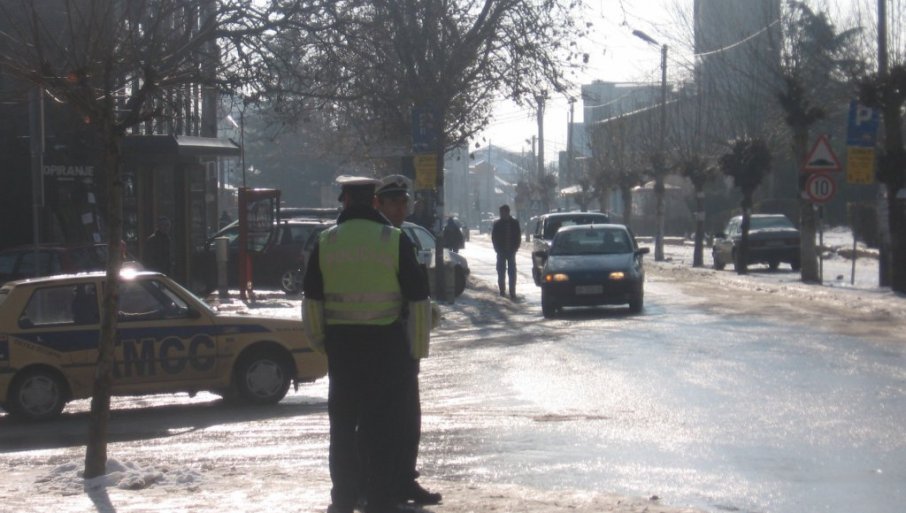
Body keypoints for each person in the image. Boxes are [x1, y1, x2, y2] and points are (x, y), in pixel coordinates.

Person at [302, 175, 431, 513]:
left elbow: (311, 301)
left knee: (343, 427)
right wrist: (415, 351)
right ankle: (380, 498)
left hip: (342, 349)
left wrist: (322, 343)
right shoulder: (393, 239)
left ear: (344, 201)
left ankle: (343, 497)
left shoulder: (326, 241)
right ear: (374, 202)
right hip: (386, 349)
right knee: (381, 425)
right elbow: (419, 299)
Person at [374, 174, 442, 506]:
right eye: (394, 202)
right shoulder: (386, 240)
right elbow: (415, 291)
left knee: (403, 418)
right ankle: (389, 482)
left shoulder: (399, 237)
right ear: (379, 204)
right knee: (392, 418)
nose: (401, 208)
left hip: (389, 342)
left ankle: (401, 479)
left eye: (404, 202)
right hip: (389, 341)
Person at [491, 204, 521, 299]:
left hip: (511, 251)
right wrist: (497, 249)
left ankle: (512, 291)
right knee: (501, 271)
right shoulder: (497, 224)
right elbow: (494, 238)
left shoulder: (514, 223)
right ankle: (502, 291)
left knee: (512, 272)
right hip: (501, 251)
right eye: (501, 213)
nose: (501, 214)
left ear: (507, 212)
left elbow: (518, 237)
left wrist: (515, 248)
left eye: (503, 212)